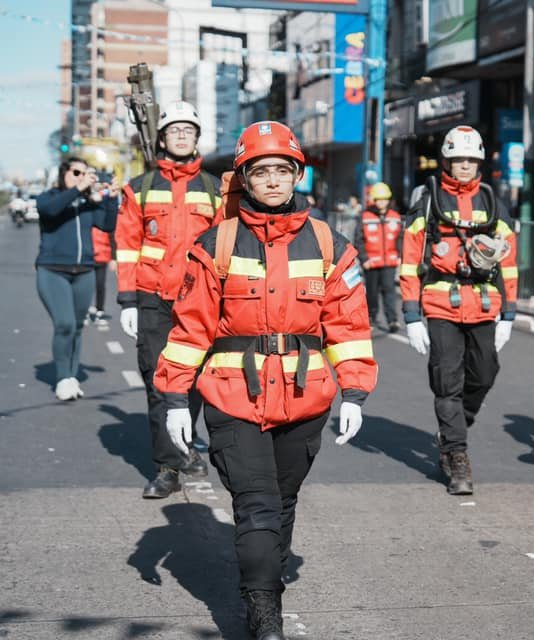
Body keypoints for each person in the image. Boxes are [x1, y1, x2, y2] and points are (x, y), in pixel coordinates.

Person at [154, 121, 377, 640]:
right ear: (244, 180)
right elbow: (191, 327)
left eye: (282, 170)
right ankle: (264, 611)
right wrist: (175, 398)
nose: (273, 180)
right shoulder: (216, 244)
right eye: (262, 171)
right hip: (232, 396)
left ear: (296, 175)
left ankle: (264, 581)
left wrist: (355, 390)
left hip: (306, 397)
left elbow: (348, 324)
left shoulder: (330, 243)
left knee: (283, 498)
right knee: (255, 502)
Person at [399, 125, 518, 495]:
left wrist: (509, 313)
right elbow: (409, 260)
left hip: (484, 304)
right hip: (440, 304)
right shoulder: (429, 202)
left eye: (471, 159)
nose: (464, 165)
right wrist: (411, 314)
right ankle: (456, 455)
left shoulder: (492, 203)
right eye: (458, 159)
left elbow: (510, 262)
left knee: (484, 374)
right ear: (447, 160)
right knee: (447, 382)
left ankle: (453, 428)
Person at [114, 101, 223, 499]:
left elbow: (223, 246)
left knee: (193, 380)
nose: (181, 135)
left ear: (197, 138)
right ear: (162, 138)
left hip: (199, 301)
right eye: (174, 130)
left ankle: (184, 444)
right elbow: (127, 247)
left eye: (188, 130)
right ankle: (168, 466)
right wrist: (127, 300)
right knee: (158, 382)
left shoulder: (214, 189)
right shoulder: (139, 189)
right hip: (152, 301)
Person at [35, 158, 119, 400]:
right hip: (52, 270)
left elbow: (106, 224)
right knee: (64, 324)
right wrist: (78, 189)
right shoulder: (49, 197)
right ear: (64, 174)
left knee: (78, 327)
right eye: (76, 172)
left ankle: (71, 377)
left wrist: (111, 198)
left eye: (85, 173)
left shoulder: (86, 203)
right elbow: (50, 211)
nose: (81, 176)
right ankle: (62, 377)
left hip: (84, 270)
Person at [355, 182, 402, 332]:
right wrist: (364, 259)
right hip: (371, 262)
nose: (382, 203)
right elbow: (359, 240)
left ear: (389, 200)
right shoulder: (365, 216)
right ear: (373, 201)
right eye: (379, 200)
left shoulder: (395, 216)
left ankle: (393, 320)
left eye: (385, 199)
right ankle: (371, 317)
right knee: (372, 292)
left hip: (390, 261)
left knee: (389, 291)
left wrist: (400, 255)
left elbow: (400, 238)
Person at [87, 227, 113, 326]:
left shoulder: (105, 220)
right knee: (86, 286)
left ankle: (100, 309)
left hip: (102, 257)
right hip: (87, 258)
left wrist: (113, 258)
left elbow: (112, 238)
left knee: (100, 284)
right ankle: (84, 310)